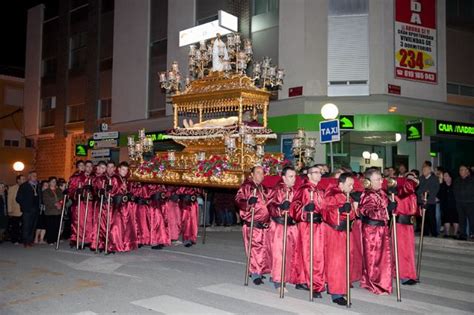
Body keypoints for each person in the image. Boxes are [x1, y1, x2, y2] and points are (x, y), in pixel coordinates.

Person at [290, 164, 325, 298]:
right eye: (316, 172)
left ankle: (303, 280)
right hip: (307, 225)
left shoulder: (320, 190)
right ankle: (314, 284)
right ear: (309, 175)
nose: (319, 174)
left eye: (320, 172)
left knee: (315, 253)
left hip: (319, 225)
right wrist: (305, 209)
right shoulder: (304, 189)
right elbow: (294, 206)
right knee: (311, 253)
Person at [267, 166, 305, 291]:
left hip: (291, 225)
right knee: (279, 253)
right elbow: (270, 205)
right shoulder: (277, 189)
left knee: (290, 252)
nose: (294, 179)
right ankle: (278, 281)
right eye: (291, 176)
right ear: (283, 177)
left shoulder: (294, 190)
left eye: (294, 176)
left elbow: (298, 207)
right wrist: (280, 207)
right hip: (279, 225)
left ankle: (285, 276)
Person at [322, 172, 357, 306]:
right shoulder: (333, 194)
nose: (352, 187)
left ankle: (337, 287)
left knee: (344, 260)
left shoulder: (347, 195)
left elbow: (353, 214)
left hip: (345, 232)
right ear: (341, 184)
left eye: (352, 185)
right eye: (349, 185)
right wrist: (340, 209)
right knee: (336, 262)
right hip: (335, 232)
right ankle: (336, 293)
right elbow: (325, 210)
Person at [359, 168, 394, 295]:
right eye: (377, 179)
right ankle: (374, 284)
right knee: (373, 258)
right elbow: (368, 212)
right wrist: (385, 209)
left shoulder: (382, 193)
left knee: (382, 257)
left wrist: (392, 206)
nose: (381, 181)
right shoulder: (368, 195)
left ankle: (375, 281)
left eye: (381, 178)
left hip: (382, 229)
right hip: (372, 231)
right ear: (369, 181)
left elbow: (387, 206)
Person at [235, 165, 272, 285]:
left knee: (263, 249)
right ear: (252, 174)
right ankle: (255, 273)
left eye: (262, 173)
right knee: (254, 249)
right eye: (258, 173)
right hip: (252, 223)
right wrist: (248, 203)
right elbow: (238, 200)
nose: (260, 175)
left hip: (264, 225)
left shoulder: (264, 188)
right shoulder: (247, 186)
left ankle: (259, 270)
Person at [392, 174, 419, 285]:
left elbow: (413, 208)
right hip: (400, 224)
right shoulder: (401, 191)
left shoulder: (410, 192)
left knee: (409, 250)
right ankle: (404, 275)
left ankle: (407, 274)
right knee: (402, 250)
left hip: (409, 225)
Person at [16, 171, 41, 248]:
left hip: (36, 209)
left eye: (36, 176)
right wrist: (25, 206)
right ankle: (25, 241)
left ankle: (30, 241)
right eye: (33, 175)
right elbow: (18, 198)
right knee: (26, 226)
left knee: (33, 226)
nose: (35, 177)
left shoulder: (38, 185)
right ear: (29, 177)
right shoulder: (24, 186)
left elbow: (40, 197)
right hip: (27, 210)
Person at [417, 164, 440, 237]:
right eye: (423, 170)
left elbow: (435, 190)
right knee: (423, 218)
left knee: (431, 218)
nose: (424, 171)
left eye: (426, 170)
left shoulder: (435, 179)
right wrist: (422, 195)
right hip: (421, 201)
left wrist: (427, 197)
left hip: (430, 202)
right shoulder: (420, 178)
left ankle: (434, 233)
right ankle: (425, 232)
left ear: (430, 171)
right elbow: (417, 189)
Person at [453, 165, 474, 240]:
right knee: (461, 219)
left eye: (462, 169)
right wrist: (457, 199)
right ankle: (463, 234)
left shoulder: (472, 180)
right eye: (460, 170)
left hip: (470, 203)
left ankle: (472, 233)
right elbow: (454, 191)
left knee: (472, 219)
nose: (461, 171)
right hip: (459, 203)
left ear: (467, 171)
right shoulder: (457, 180)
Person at [42, 177, 64, 245]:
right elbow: (46, 200)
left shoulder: (59, 190)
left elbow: (62, 198)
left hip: (58, 211)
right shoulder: (46, 191)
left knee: (57, 226)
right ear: (49, 182)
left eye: (55, 181)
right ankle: (50, 240)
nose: (54, 183)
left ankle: (56, 239)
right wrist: (55, 204)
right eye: (52, 181)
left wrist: (60, 203)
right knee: (50, 226)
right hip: (50, 211)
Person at [438, 171, 459, 238]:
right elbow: (439, 195)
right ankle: (447, 234)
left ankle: (455, 234)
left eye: (446, 176)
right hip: (445, 205)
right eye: (444, 176)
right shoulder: (442, 185)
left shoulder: (455, 185)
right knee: (446, 219)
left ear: (450, 177)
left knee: (455, 219)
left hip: (455, 205)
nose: (444, 177)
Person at [7, 174, 25, 244]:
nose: (24, 180)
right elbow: (9, 199)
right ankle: (15, 240)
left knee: (23, 226)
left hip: (24, 210)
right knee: (15, 226)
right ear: (18, 180)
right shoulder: (13, 188)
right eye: (22, 179)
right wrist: (9, 210)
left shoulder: (26, 187)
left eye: (24, 179)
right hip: (15, 210)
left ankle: (21, 239)